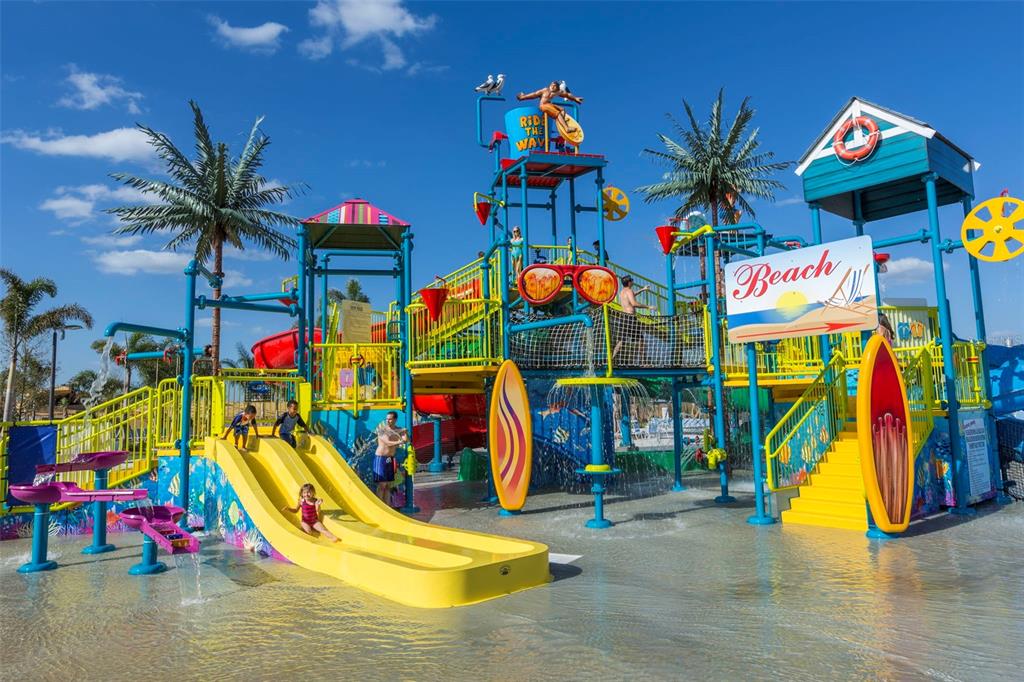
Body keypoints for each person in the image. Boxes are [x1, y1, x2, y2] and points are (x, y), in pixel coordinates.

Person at [517, 81, 583, 134]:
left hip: (549, 104)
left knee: (562, 109)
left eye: (555, 86)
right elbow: (534, 94)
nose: (553, 87)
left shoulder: (556, 92)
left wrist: (575, 99)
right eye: (552, 85)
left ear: (557, 88)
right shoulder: (545, 90)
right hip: (543, 105)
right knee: (558, 113)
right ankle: (566, 128)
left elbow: (567, 95)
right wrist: (523, 97)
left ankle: (561, 123)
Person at [612, 275, 651, 361]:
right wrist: (648, 307)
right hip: (631, 318)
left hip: (624, 318)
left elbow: (632, 295)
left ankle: (611, 360)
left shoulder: (622, 292)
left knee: (621, 341)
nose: (633, 281)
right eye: (632, 280)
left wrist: (643, 289)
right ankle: (644, 362)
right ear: (629, 282)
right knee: (641, 340)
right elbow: (634, 303)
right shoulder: (629, 291)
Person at [374, 411, 408, 503]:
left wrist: (404, 433)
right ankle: (380, 505)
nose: (387, 421)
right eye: (387, 419)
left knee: (388, 485)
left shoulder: (399, 429)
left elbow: (406, 439)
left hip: (390, 459)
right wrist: (399, 441)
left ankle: (387, 506)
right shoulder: (382, 430)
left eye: (390, 419)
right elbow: (387, 442)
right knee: (382, 485)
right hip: (381, 458)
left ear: (395, 419)